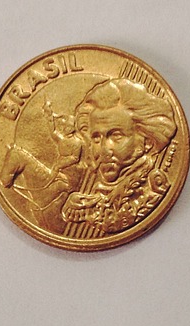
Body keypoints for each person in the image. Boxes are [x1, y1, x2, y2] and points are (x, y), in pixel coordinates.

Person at [61, 78, 177, 233]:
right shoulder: (87, 198)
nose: (103, 150)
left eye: (116, 136)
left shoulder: (153, 191)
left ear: (147, 141)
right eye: (96, 138)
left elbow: (115, 221)